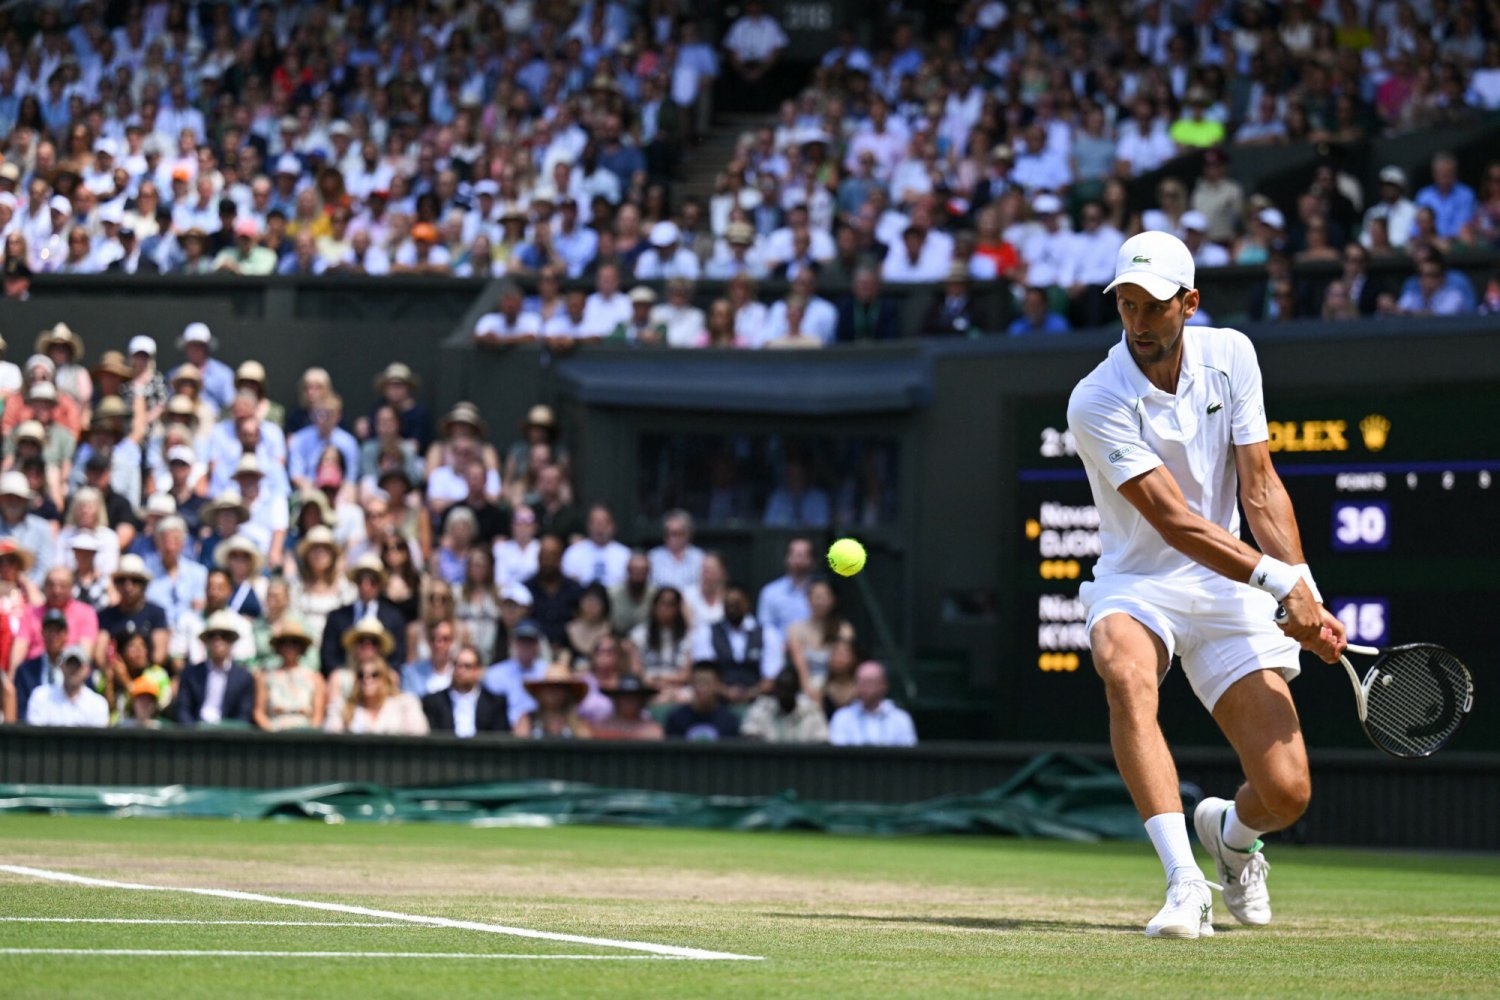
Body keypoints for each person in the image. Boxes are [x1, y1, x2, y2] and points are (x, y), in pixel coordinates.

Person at [1065, 230, 1346, 939]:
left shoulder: (1232, 356)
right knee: (1125, 671)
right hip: (1138, 584)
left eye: (1153, 307)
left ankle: (1229, 834)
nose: (1138, 323)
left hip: (1228, 593)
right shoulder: (1095, 399)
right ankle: (1184, 882)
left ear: (1189, 304)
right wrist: (1281, 583)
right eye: (1126, 305)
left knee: (1286, 793)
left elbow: (1260, 488)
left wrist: (1304, 590)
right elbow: (1174, 520)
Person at [319, 554, 409, 674]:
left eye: (372, 580)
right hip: (347, 676)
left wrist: (376, 674)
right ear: (355, 581)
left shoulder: (394, 617)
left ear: (380, 583)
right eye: (361, 579)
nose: (366, 585)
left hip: (381, 678)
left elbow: (398, 657)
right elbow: (329, 656)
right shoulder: (337, 617)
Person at [692, 585, 783, 704]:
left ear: (747, 605)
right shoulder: (707, 632)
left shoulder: (767, 634)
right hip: (717, 701)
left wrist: (751, 693)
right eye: (728, 604)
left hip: (758, 699)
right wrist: (726, 692)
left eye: (737, 604)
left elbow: (772, 676)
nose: (732, 608)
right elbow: (703, 673)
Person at [174, 611, 258, 726]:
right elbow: (183, 710)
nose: (218, 641)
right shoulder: (191, 674)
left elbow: (243, 715)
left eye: (224, 636)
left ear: (231, 642)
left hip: (229, 736)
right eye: (212, 636)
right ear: (206, 642)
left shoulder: (243, 677)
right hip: (196, 734)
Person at [422, 643, 510, 737]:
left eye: (467, 666)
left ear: (478, 671)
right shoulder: (434, 702)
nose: (460, 670)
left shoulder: (495, 703)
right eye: (457, 665)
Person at [252, 619, 326, 731]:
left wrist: (309, 738)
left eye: (294, 643)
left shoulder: (315, 678)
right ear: (279, 646)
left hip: (305, 734)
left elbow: (318, 716)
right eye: (285, 643)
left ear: (301, 647)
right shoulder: (265, 676)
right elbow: (259, 712)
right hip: (274, 733)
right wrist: (270, 733)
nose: (290, 647)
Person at [325, 657, 429, 736]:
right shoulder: (342, 706)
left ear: (384, 678)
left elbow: (418, 739)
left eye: (374, 675)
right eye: (361, 675)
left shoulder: (405, 704)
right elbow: (331, 739)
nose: (367, 679)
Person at [828, 661, 917, 747]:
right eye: (860, 682)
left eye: (869, 682)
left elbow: (908, 756)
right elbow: (838, 755)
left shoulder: (900, 719)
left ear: (883, 685)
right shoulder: (842, 717)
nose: (864, 687)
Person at [23, 643, 107, 727]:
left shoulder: (98, 704)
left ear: (87, 670)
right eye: (69, 664)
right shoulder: (40, 696)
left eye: (78, 665)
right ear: (61, 666)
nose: (73, 669)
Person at [742, 665, 830, 743]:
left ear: (797, 690)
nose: (784, 695)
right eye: (781, 690)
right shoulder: (762, 707)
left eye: (788, 690)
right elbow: (748, 735)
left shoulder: (811, 710)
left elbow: (822, 741)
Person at [664, 661, 741, 740]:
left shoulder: (729, 721)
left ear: (718, 685)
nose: (701, 688)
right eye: (697, 682)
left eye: (706, 683)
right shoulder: (676, 719)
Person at [561, 504, 631, 587]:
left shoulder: (626, 555)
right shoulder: (573, 553)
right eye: (595, 523)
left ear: (613, 526)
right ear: (588, 525)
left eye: (604, 523)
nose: (600, 528)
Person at [756, 537, 814, 632]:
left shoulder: (820, 592)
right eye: (795, 555)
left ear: (812, 560)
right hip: (779, 646)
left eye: (804, 555)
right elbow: (765, 629)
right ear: (787, 558)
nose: (799, 560)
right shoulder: (770, 592)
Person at [592, 673, 665, 741]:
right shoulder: (603, 725)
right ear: (617, 699)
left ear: (641, 701)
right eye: (625, 697)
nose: (629, 701)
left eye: (634, 697)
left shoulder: (652, 729)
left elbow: (655, 735)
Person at [647, 509, 704, 593]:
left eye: (676, 534)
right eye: (668, 533)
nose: (671, 538)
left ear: (688, 534)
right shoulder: (653, 557)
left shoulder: (700, 558)